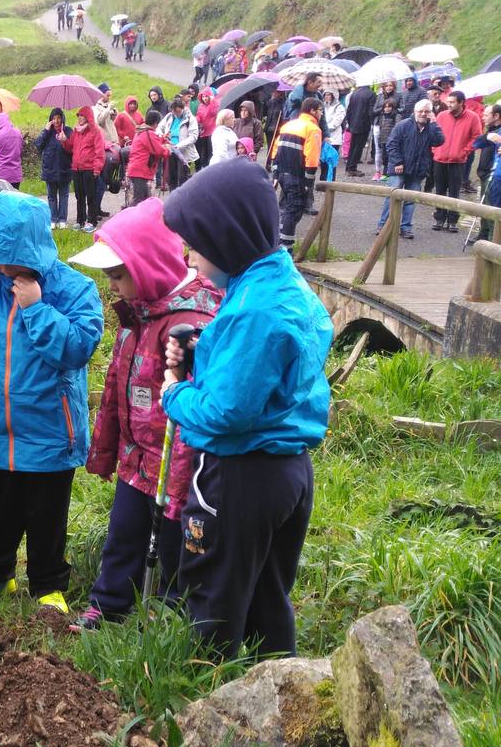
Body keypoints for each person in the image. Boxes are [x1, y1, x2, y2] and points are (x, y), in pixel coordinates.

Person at [160, 160, 334, 661]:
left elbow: (226, 413)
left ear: (225, 238)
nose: (190, 257)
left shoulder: (251, 311)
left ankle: (206, 692)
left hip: (241, 474)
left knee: (215, 587)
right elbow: (270, 374)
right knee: (267, 589)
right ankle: (278, 687)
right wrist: (207, 351)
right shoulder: (282, 285)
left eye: (195, 244)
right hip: (289, 470)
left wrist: (175, 391)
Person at [0, 192, 104, 616]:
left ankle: (48, 580)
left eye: (6, 256)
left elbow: (76, 349)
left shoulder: (74, 290)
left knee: (46, 514)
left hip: (52, 432)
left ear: (30, 247)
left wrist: (36, 309)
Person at [69, 199, 221, 629]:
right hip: (138, 454)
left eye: (118, 275)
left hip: (178, 456)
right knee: (125, 530)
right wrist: (108, 446)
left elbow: (203, 394)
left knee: (175, 537)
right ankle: (109, 601)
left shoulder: (195, 320)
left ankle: (171, 611)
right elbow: (119, 382)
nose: (113, 286)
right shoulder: (139, 314)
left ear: (148, 266)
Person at [378, 99, 443, 240]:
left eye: (427, 111)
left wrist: (434, 123)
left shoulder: (430, 128)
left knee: (410, 200)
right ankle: (383, 225)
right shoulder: (403, 125)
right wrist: (398, 162)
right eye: (420, 111)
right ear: (415, 111)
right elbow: (391, 144)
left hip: (418, 169)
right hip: (398, 168)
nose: (423, 114)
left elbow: (439, 141)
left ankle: (405, 227)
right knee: (392, 197)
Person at [271, 97, 323, 249]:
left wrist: (275, 174)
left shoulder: (288, 125)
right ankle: (285, 247)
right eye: (320, 110)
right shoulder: (313, 129)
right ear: (312, 111)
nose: (321, 114)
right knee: (293, 211)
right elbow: (312, 159)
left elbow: (275, 151)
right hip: (297, 175)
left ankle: (279, 242)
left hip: (282, 173)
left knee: (285, 209)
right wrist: (308, 183)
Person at [431, 90, 482, 233]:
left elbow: (476, 137)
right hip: (440, 159)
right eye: (448, 101)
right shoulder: (441, 116)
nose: (449, 104)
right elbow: (433, 132)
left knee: (454, 191)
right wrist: (435, 149)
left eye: (452, 102)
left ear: (461, 103)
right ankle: (439, 218)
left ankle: (453, 221)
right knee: (440, 190)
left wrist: (464, 151)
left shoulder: (472, 117)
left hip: (458, 161)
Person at [64, 105, 105, 231]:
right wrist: (64, 140)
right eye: (79, 115)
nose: (80, 118)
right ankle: (80, 220)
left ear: (88, 117)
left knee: (90, 196)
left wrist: (97, 168)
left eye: (82, 115)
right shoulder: (76, 131)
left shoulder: (95, 131)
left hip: (89, 168)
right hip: (76, 168)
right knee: (79, 196)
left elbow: (99, 152)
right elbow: (70, 147)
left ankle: (91, 221)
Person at [35, 108, 73, 229]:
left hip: (64, 169)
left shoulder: (68, 131)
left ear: (63, 119)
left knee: (64, 195)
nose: (56, 121)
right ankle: (53, 218)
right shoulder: (48, 132)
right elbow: (38, 145)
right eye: (54, 118)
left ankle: (62, 219)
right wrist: (45, 131)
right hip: (50, 169)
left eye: (59, 118)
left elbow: (73, 148)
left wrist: (65, 140)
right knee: (51, 196)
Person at [127, 109, 169, 204]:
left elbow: (152, 142)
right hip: (140, 171)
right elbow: (159, 151)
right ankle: (131, 218)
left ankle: (139, 218)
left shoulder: (142, 131)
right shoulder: (148, 133)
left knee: (144, 200)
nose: (157, 126)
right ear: (155, 123)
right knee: (138, 201)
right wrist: (168, 150)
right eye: (157, 123)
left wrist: (162, 139)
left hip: (137, 170)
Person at [156, 99, 198, 192]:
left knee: (182, 177)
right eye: (174, 111)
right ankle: (173, 197)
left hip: (183, 152)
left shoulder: (190, 118)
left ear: (182, 109)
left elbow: (194, 137)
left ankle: (183, 198)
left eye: (178, 111)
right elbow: (159, 127)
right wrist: (162, 136)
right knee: (171, 177)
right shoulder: (169, 116)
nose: (176, 114)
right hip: (169, 150)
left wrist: (179, 145)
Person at [343, 83, 375, 177]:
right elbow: (371, 112)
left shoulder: (355, 93)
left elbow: (349, 110)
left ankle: (349, 166)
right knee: (358, 147)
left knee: (353, 146)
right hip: (364, 124)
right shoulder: (371, 94)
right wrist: (372, 120)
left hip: (353, 123)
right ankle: (352, 168)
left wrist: (350, 122)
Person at [321, 90, 346, 183]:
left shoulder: (339, 107)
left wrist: (325, 128)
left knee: (331, 161)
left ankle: (331, 181)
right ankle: (323, 180)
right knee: (323, 160)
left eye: (329, 95)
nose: (327, 97)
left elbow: (337, 122)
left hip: (334, 138)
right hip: (324, 138)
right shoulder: (323, 106)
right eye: (325, 95)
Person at [194, 90, 218, 169]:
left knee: (209, 150)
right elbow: (199, 115)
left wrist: (212, 101)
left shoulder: (214, 105)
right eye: (203, 97)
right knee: (202, 150)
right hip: (203, 131)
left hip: (211, 131)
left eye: (206, 96)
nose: (205, 98)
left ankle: (209, 166)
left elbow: (214, 112)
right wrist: (196, 120)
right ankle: (203, 166)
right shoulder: (201, 106)